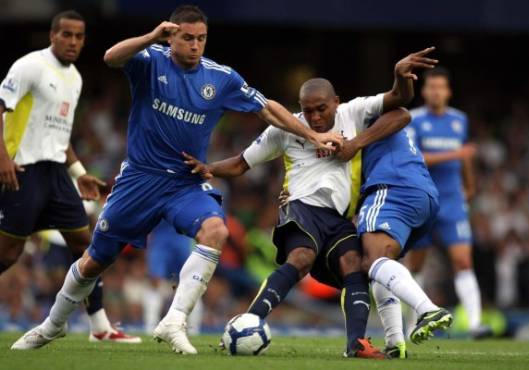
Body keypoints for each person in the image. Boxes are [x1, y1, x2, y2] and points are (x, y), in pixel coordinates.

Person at [11, 5, 342, 352]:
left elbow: (267, 107)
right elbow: (111, 57)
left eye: (201, 38)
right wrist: (152, 37)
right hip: (139, 179)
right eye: (187, 38)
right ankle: (52, 324)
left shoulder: (221, 78)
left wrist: (312, 136)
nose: (195, 45)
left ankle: (175, 319)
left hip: (184, 182)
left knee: (216, 230)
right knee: (95, 259)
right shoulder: (150, 60)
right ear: (172, 37)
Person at [183, 47, 438, 358]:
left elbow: (400, 103)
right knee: (301, 257)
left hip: (339, 219)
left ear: (336, 102)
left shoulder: (354, 112)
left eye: (321, 109)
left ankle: (356, 344)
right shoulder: (286, 128)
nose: (316, 118)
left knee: (354, 266)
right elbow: (241, 163)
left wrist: (400, 76)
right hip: (300, 208)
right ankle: (250, 320)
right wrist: (209, 168)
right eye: (308, 110)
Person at [0, 10, 140, 343]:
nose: (73, 41)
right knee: (8, 253)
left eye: (79, 36)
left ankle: (100, 326)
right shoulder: (29, 66)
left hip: (56, 174)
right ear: (53, 35)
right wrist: (3, 157)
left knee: (87, 245)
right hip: (23, 168)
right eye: (67, 34)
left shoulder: (74, 79)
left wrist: (79, 173)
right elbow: (1, 108)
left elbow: (60, 136)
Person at [336, 70, 454, 359]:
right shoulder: (373, 134)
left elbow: (401, 113)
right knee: (381, 267)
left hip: (394, 188)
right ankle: (395, 343)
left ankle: (428, 310)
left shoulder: (362, 116)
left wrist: (355, 143)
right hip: (422, 196)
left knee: (373, 260)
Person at [406, 67, 489, 338]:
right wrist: (456, 153)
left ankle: (476, 325)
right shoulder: (414, 120)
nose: (436, 92)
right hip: (425, 200)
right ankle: (408, 327)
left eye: (441, 87)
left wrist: (470, 186)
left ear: (448, 91)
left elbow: (464, 157)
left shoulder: (459, 120)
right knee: (415, 266)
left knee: (463, 261)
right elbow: (417, 158)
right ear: (424, 91)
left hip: (453, 201)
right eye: (432, 87)